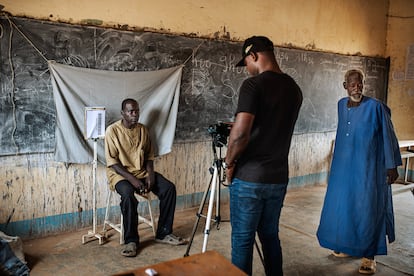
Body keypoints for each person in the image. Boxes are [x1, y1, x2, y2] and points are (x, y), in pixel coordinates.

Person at [225, 36, 303, 275]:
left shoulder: (253, 86)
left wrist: (229, 163)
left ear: (254, 56)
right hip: (278, 177)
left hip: (250, 178)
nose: (247, 70)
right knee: (270, 236)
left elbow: (239, 135)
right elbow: (271, 126)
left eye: (246, 63)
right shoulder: (294, 88)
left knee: (242, 239)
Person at [316, 69, 402, 274]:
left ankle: (369, 256)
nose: (357, 88)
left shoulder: (376, 107)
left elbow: (389, 136)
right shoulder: (340, 105)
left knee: (368, 210)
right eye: (352, 84)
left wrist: (391, 165)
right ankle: (347, 246)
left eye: (360, 83)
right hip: (343, 170)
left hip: (368, 169)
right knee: (343, 208)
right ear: (345, 85)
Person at [105, 98, 187, 257]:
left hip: (141, 172)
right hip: (120, 175)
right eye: (131, 111)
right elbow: (113, 163)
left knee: (169, 188)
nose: (135, 114)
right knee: (128, 195)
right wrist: (133, 181)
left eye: (137, 111)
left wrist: (150, 175)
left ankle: (164, 233)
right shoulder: (112, 131)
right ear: (123, 113)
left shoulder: (143, 130)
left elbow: (149, 156)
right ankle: (131, 241)